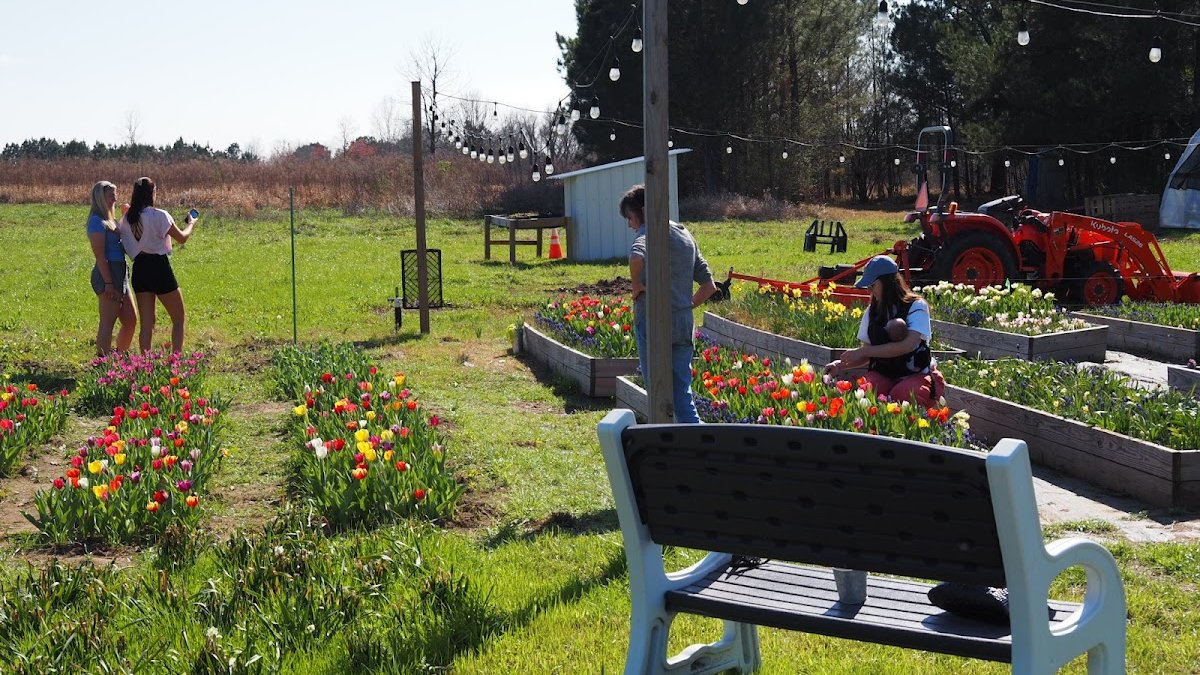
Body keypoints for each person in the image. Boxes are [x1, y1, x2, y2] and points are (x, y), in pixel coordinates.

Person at [621, 184, 719, 423]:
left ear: (643, 211)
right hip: (683, 323)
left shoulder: (647, 233)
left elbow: (636, 258)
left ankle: (688, 442)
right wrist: (686, 305)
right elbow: (709, 286)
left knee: (659, 390)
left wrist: (636, 285)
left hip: (654, 321)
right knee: (681, 390)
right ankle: (688, 437)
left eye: (630, 218)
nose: (630, 225)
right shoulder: (685, 235)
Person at [825, 255, 945, 406]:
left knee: (902, 395)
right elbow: (867, 353)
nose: (870, 290)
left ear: (888, 282)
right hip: (885, 374)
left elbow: (906, 345)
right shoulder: (872, 311)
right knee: (866, 390)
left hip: (916, 375)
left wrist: (864, 352)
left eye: (872, 285)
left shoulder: (916, 306)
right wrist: (840, 365)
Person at [118, 177, 196, 353]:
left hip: (140, 268)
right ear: (152, 193)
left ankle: (145, 363)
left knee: (147, 325)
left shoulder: (127, 219)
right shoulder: (160, 215)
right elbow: (182, 238)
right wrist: (191, 224)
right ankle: (176, 358)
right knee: (178, 318)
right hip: (159, 267)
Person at [86, 181, 137, 355]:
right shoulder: (96, 222)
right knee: (108, 321)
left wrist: (126, 218)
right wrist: (108, 282)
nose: (115, 197)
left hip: (121, 273)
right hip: (108, 273)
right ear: (100, 197)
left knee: (130, 320)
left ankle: (119, 356)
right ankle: (102, 362)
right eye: (110, 195)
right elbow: (100, 256)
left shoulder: (111, 220)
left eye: (116, 194)